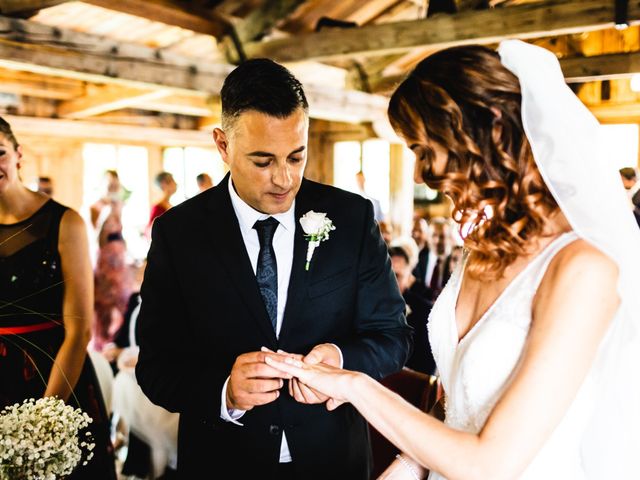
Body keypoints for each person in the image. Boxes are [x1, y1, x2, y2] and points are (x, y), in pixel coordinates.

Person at [264, 40, 640, 479]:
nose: (422, 173)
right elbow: (454, 411)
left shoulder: (584, 269)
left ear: (490, 128)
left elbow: (489, 464)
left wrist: (354, 385)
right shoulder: (482, 249)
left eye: (425, 149)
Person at [135, 58, 412, 478]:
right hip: (223, 462)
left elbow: (394, 337)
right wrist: (224, 390)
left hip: (333, 459)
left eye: (296, 157)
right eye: (263, 161)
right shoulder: (178, 233)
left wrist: (340, 358)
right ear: (223, 145)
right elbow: (156, 367)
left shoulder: (352, 218)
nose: (284, 179)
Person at [0, 117, 116, 479]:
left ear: (17, 155)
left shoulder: (65, 223)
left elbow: (79, 330)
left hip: (53, 373)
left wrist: (44, 418)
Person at [90, 169, 132, 352]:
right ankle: (101, 343)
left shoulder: (119, 204)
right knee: (104, 304)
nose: (113, 188)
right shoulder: (96, 207)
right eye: (110, 185)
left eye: (115, 185)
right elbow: (96, 237)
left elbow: (119, 232)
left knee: (122, 301)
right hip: (104, 260)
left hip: (119, 260)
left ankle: (117, 341)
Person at [388, 245, 436, 376]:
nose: (390, 282)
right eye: (387, 275)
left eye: (397, 276)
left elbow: (426, 366)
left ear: (409, 277)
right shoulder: (366, 303)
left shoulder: (425, 311)